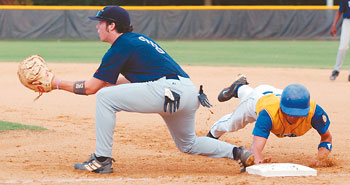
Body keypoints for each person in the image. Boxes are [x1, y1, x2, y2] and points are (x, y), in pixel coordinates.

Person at [48, 6, 254, 174]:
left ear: (112, 26)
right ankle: (238, 152)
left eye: (100, 23)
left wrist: (55, 83)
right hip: (188, 92)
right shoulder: (136, 40)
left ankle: (101, 159)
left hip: (166, 90)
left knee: (104, 98)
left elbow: (92, 88)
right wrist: (103, 83)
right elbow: (118, 82)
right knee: (188, 144)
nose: (97, 27)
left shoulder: (120, 46)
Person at [206, 74, 332, 166]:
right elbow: (256, 146)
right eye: (289, 113)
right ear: (282, 108)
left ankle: (240, 87)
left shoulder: (315, 113)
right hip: (257, 102)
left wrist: (321, 159)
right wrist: (258, 159)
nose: (293, 117)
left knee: (253, 93)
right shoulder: (268, 113)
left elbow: (326, 138)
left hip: (275, 95)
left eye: (297, 114)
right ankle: (211, 135)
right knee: (232, 124)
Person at [330, 0, 350, 81]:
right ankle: (336, 70)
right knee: (343, 46)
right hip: (347, 22)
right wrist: (334, 25)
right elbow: (339, 11)